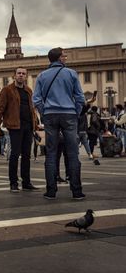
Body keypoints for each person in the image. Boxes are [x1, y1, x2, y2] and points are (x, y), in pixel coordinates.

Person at [32, 47, 86, 200]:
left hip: (50, 115)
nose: (66, 57)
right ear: (58, 58)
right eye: (64, 55)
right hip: (69, 115)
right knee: (73, 153)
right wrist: (75, 112)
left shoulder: (42, 76)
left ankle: (51, 191)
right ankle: (76, 191)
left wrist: (44, 112)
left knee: (51, 153)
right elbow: (80, 98)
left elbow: (36, 99)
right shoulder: (71, 73)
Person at [0, 67, 39, 192]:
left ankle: (26, 182)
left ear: (26, 76)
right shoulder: (7, 90)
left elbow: (32, 109)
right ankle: (13, 183)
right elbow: (0, 109)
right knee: (14, 154)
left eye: (23, 74)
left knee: (26, 155)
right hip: (14, 126)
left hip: (28, 126)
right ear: (14, 75)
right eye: (18, 73)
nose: (21, 75)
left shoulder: (28, 90)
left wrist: (35, 124)